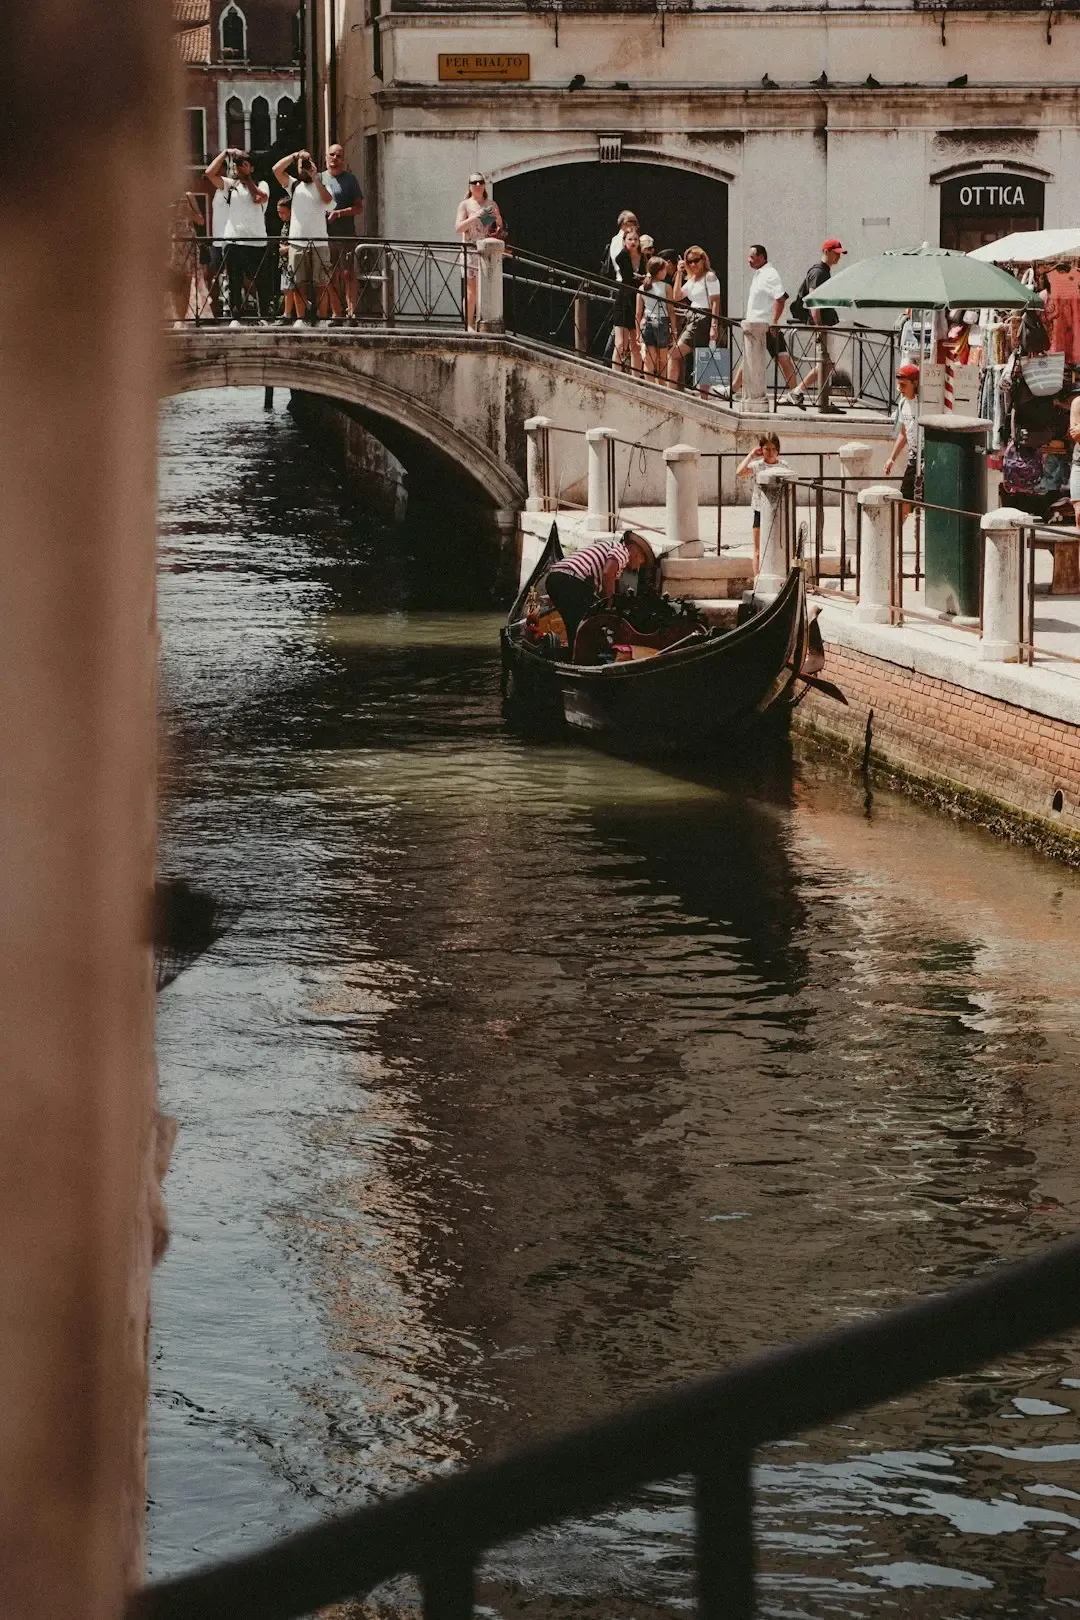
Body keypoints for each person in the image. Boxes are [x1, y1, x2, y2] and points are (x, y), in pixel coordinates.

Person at [544, 533, 654, 657]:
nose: (638, 567)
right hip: (570, 579)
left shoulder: (610, 549)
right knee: (587, 624)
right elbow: (607, 574)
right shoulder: (623, 552)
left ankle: (573, 656)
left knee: (575, 623)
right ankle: (583, 660)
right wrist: (610, 604)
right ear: (636, 552)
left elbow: (604, 584)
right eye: (641, 562)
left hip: (555, 578)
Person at [205, 148, 270, 325]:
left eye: (244, 164)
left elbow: (259, 198)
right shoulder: (229, 185)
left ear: (252, 168)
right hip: (233, 240)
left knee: (260, 281)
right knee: (234, 281)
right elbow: (209, 173)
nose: (239, 167)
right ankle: (235, 317)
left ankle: (263, 316)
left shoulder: (262, 184)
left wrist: (246, 178)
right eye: (237, 165)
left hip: (256, 240)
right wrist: (224, 154)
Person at [272, 148, 333, 325]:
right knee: (298, 283)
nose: (304, 168)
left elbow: (328, 200)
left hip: (320, 241)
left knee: (321, 282)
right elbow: (276, 170)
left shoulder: (322, 183)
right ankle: (300, 319)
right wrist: (294, 156)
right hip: (298, 242)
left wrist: (315, 176)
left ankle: (322, 319)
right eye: (302, 166)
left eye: (307, 164)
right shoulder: (294, 185)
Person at [730, 243, 800, 398]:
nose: (748, 260)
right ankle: (733, 389)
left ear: (761, 258)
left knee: (781, 357)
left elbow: (780, 298)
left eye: (752, 257)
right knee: (753, 358)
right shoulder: (760, 273)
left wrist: (774, 322)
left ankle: (796, 392)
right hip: (757, 326)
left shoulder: (769, 274)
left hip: (765, 326)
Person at [789, 238, 845, 409]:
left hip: (824, 325)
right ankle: (799, 392)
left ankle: (821, 398)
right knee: (826, 363)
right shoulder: (819, 272)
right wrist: (819, 327)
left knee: (827, 363)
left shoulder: (823, 271)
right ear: (826, 252)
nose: (838, 257)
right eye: (836, 253)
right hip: (822, 326)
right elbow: (814, 301)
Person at [736, 431, 792, 573]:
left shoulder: (784, 466)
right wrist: (751, 455)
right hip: (760, 511)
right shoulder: (757, 465)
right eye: (767, 449)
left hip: (779, 510)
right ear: (762, 450)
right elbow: (740, 472)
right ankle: (757, 581)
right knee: (758, 550)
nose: (770, 452)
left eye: (773, 449)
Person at [454, 174, 505, 331]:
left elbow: (498, 229)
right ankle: (468, 324)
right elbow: (458, 228)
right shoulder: (465, 205)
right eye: (474, 182)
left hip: (487, 250)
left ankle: (485, 323)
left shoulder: (490, 203)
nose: (477, 184)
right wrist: (474, 217)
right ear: (469, 185)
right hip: (470, 250)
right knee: (472, 289)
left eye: (480, 182)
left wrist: (497, 218)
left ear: (484, 185)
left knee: (487, 288)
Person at [668, 247, 722, 388]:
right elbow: (677, 296)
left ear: (703, 260)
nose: (693, 264)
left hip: (703, 318)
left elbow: (715, 302)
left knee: (675, 354)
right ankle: (701, 397)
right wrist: (679, 273)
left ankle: (671, 389)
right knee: (702, 358)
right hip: (693, 318)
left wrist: (714, 326)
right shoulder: (692, 279)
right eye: (689, 261)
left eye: (696, 261)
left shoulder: (709, 276)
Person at [322, 143, 364, 321]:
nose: (335, 159)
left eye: (339, 156)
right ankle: (336, 313)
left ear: (343, 159)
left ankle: (351, 312)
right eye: (332, 155)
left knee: (348, 274)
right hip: (325, 235)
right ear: (326, 158)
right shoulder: (319, 179)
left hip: (346, 234)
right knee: (331, 276)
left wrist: (339, 213)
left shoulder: (350, 180)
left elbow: (359, 208)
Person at [883, 361, 920, 520]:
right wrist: (892, 458)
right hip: (914, 456)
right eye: (898, 385)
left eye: (903, 385)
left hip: (928, 456)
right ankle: (896, 537)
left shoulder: (924, 404)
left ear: (915, 383)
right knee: (905, 497)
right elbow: (903, 433)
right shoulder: (903, 403)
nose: (900, 389)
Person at [611, 227, 644, 373]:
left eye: (635, 239)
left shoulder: (643, 257)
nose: (633, 242)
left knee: (635, 345)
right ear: (624, 241)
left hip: (638, 301)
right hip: (625, 299)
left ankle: (636, 377)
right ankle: (615, 374)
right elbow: (627, 276)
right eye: (629, 239)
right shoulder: (623, 256)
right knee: (620, 344)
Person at [636, 255, 674, 381]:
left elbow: (638, 313)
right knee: (662, 359)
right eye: (664, 270)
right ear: (659, 271)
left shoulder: (642, 288)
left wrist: (637, 332)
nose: (665, 273)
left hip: (647, 321)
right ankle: (662, 388)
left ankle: (649, 387)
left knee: (649, 359)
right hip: (661, 321)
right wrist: (674, 329)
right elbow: (670, 311)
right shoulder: (666, 287)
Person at [168, 192, 203, 325]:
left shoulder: (188, 196)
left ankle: (181, 319)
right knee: (173, 282)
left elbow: (201, 220)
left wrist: (189, 213)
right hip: (171, 244)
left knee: (186, 282)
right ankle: (175, 317)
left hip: (188, 244)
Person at [272, 197, 302, 324]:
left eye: (283, 212)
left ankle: (290, 314)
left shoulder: (295, 224)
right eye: (279, 212)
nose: (281, 215)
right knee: (286, 288)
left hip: (293, 259)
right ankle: (287, 313)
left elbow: (301, 242)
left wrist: (287, 249)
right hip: (284, 261)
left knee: (292, 288)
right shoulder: (285, 224)